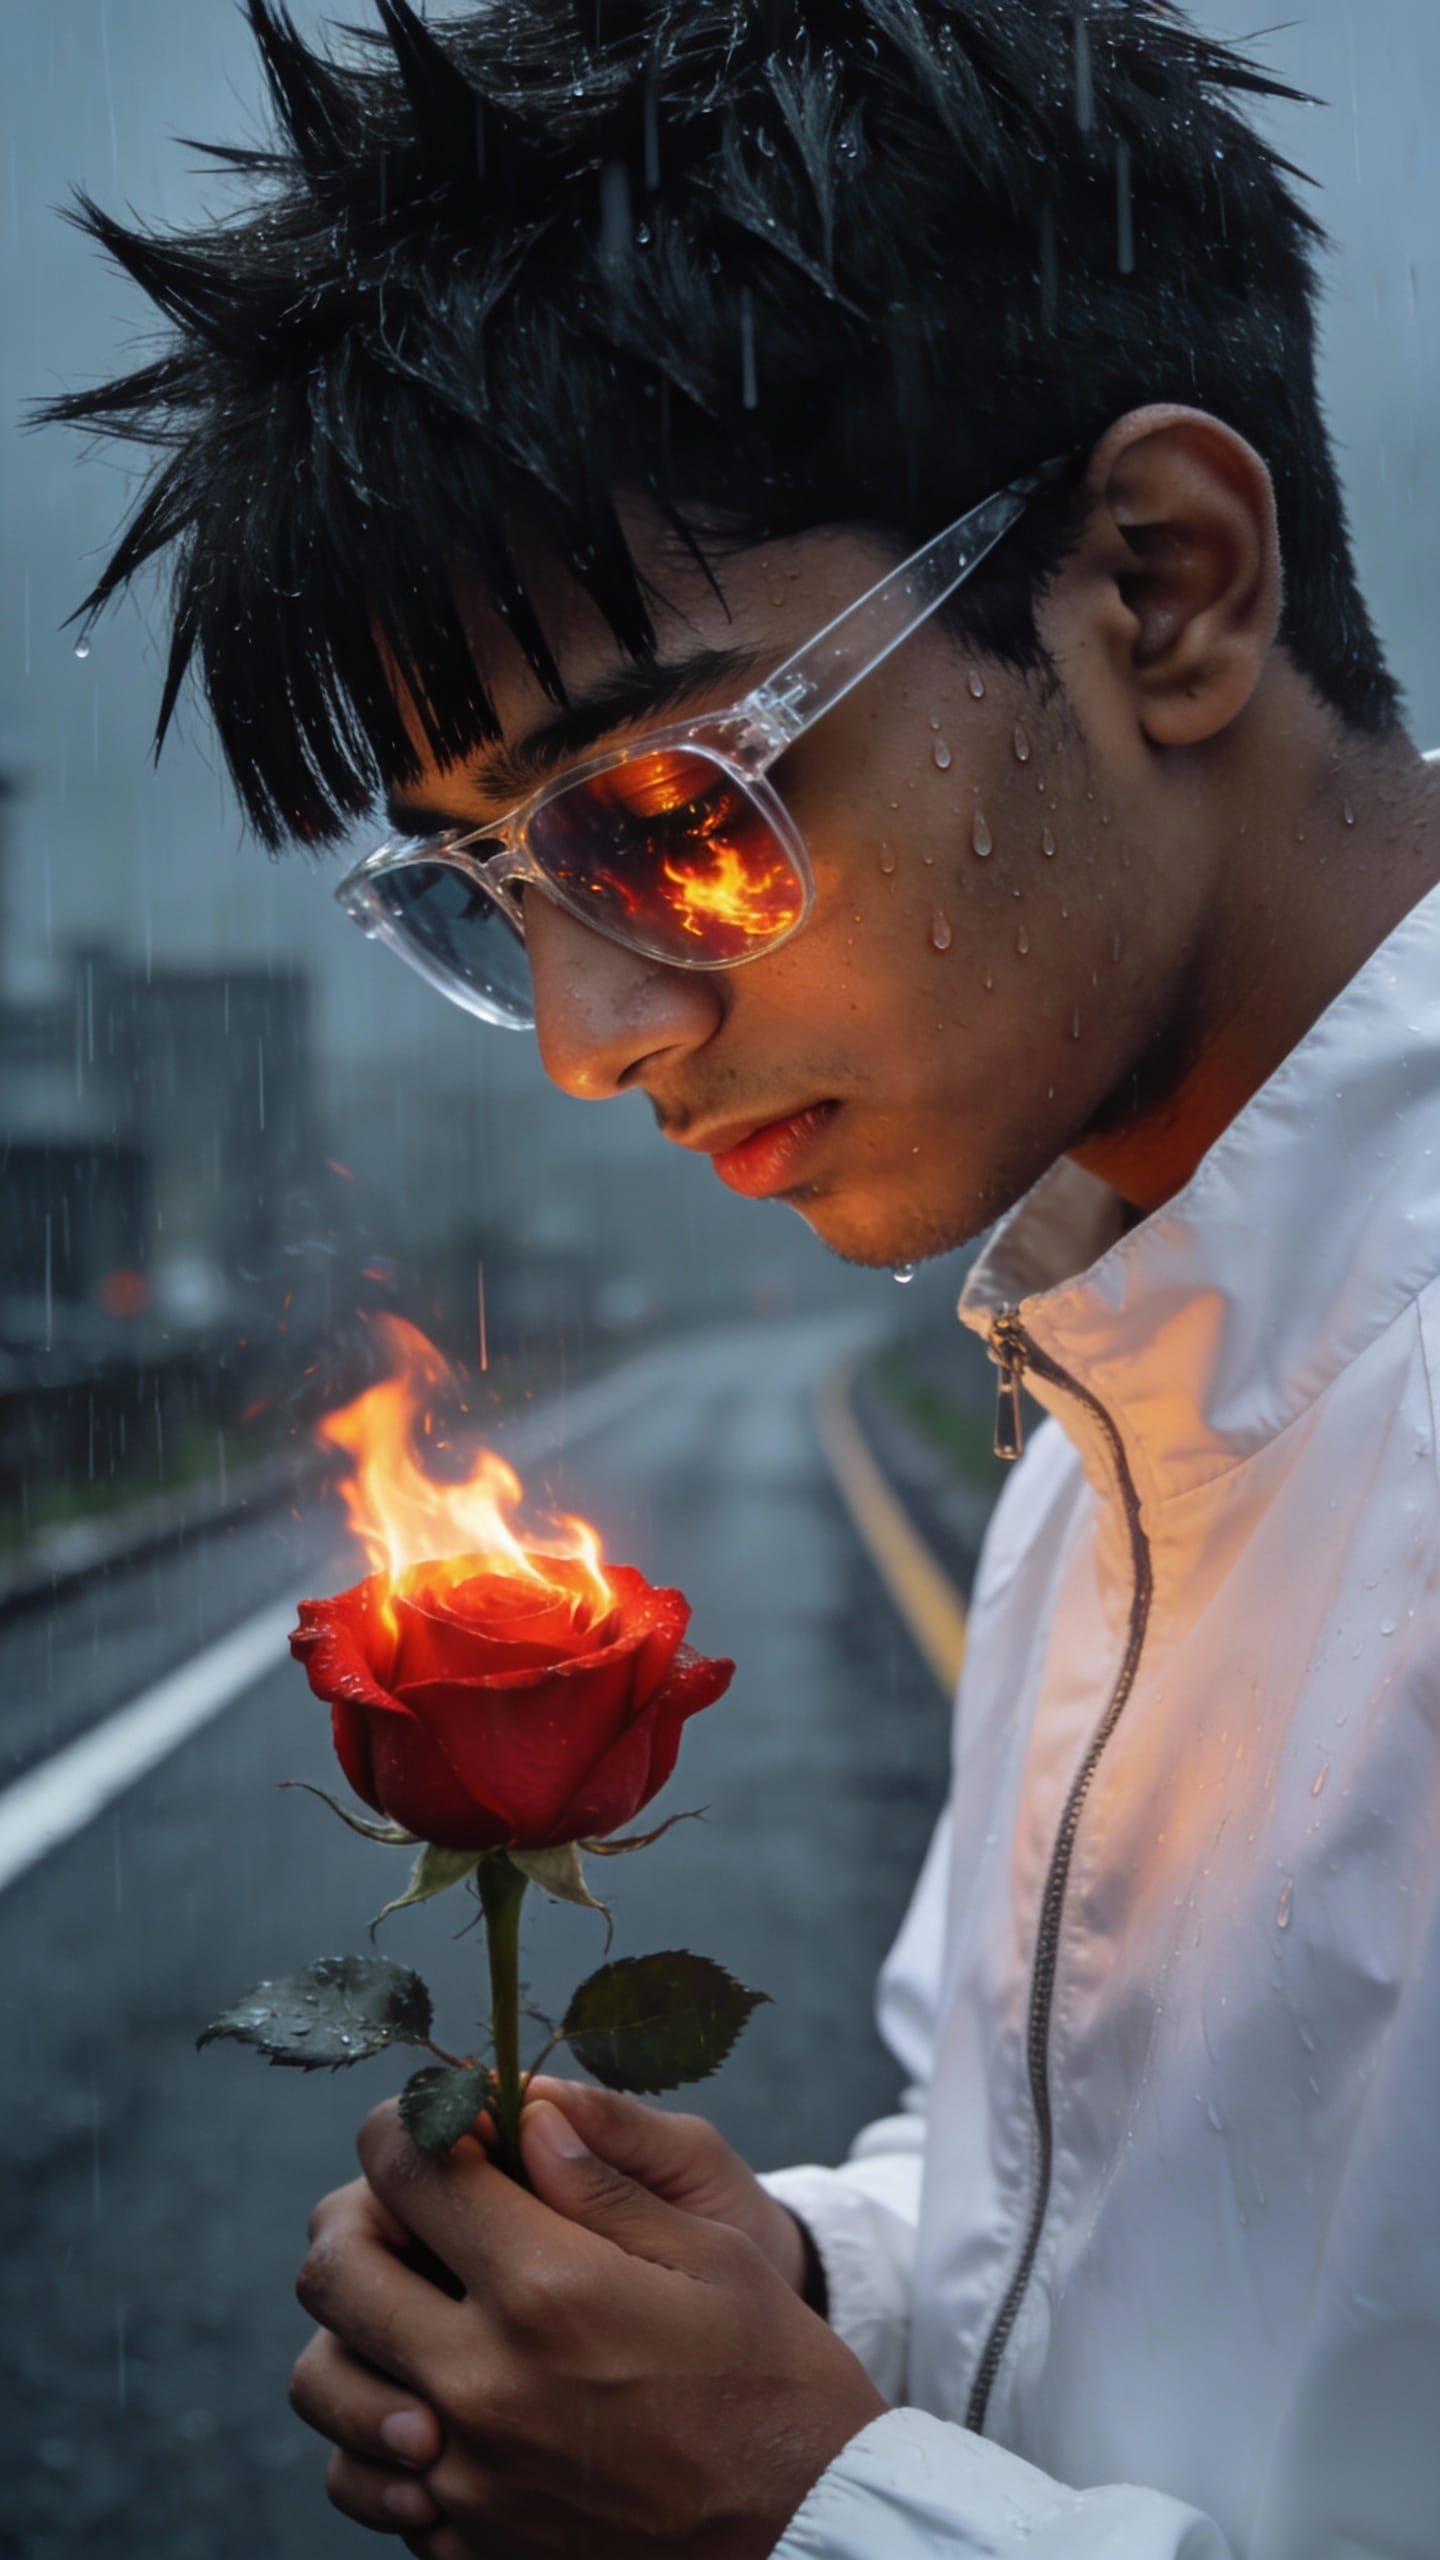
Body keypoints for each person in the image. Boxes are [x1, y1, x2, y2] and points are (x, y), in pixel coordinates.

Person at [45, 1, 1440, 2551]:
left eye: (669, 818)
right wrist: (777, 2291)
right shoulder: (1110, 1370)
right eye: (486, 893)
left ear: (1162, 586)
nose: (591, 1038)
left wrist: (799, 2504)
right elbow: (1087, 2221)